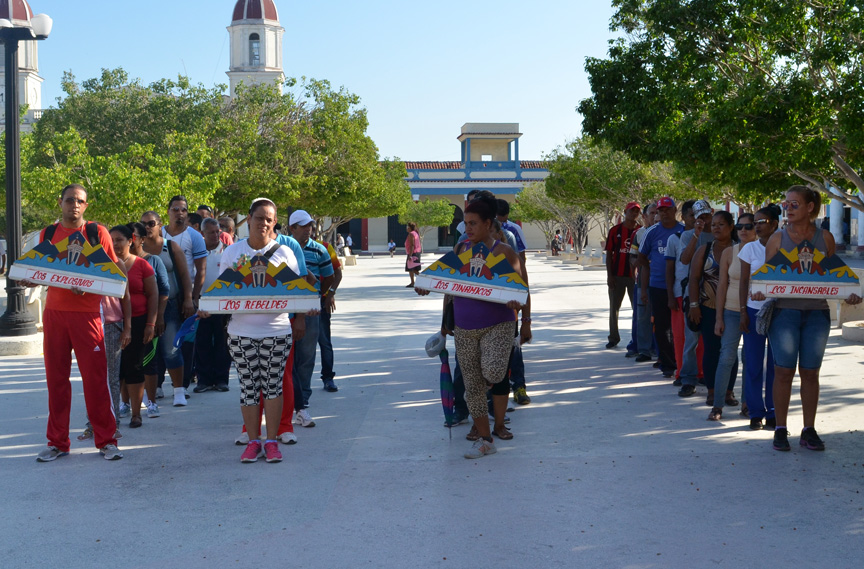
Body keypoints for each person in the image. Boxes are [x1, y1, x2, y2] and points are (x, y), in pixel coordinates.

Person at [417, 193, 530, 459]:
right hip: (464, 326)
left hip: (499, 325)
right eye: (466, 223)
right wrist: (428, 288)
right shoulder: (459, 250)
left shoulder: (504, 252)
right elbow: (446, 286)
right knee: (472, 387)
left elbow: (522, 289)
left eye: (473, 223)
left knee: (491, 371)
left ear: (489, 224)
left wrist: (524, 316)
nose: (467, 228)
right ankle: (485, 439)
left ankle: (495, 420)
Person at [200, 198, 305, 463]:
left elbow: (297, 290)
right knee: (248, 387)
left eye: (270, 219)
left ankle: (271, 441)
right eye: (260, 218)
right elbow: (223, 290)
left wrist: (305, 311)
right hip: (241, 333)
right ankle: (253, 441)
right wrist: (207, 307)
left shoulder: (284, 253)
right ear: (249, 219)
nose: (264, 223)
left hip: (277, 332)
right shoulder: (233, 253)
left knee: (272, 387)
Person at [758, 186, 861, 451]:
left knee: (810, 373)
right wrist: (758, 291)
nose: (788, 208)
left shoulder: (824, 238)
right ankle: (780, 429)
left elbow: (835, 274)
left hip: (817, 314)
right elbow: (765, 279)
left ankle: (808, 429)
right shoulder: (777, 239)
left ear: (810, 208)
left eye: (794, 204)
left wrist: (850, 294)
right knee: (783, 371)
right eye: (786, 204)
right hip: (784, 314)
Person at [32, 184, 125, 461]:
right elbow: (42, 269)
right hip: (55, 315)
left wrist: (87, 287)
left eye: (80, 201)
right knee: (56, 380)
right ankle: (57, 442)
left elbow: (113, 275)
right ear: (60, 202)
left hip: (87, 317)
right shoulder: (48, 233)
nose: (74, 205)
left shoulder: (97, 233)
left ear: (86, 206)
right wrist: (31, 277)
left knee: (95, 380)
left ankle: (106, 441)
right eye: (70, 200)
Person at [140, 210, 194, 406]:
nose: (147, 227)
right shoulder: (136, 247)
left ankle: (179, 390)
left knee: (171, 347)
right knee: (148, 350)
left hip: (169, 305)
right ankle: (153, 390)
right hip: (144, 307)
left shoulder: (170, 247)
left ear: (159, 224)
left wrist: (188, 299)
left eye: (151, 223)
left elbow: (185, 276)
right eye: (144, 223)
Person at [709, 213, 758, 420]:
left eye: (748, 226)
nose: (743, 231)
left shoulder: (765, 251)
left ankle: (748, 404)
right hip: (730, 311)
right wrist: (719, 317)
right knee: (727, 357)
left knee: (751, 359)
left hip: (756, 312)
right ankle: (717, 406)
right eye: (740, 227)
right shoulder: (730, 252)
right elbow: (722, 286)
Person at [687, 211, 738, 409]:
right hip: (707, 308)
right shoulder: (704, 249)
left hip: (732, 309)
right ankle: (711, 391)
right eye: (714, 224)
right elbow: (693, 279)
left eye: (721, 224)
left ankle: (728, 391)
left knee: (731, 352)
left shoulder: (739, 250)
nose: (716, 228)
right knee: (712, 350)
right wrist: (694, 305)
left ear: (731, 226)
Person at [110, 224, 158, 429]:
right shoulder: (106, 264)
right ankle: (122, 406)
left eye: (119, 240)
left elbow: (154, 294)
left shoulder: (142, 265)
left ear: (131, 241)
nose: (115, 244)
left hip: (138, 321)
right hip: (113, 322)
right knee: (116, 370)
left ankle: (136, 414)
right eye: (111, 240)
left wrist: (151, 324)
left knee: (134, 366)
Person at [738, 204, 781, 430]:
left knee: (776, 364)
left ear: (775, 224)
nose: (756, 226)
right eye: (755, 222)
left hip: (780, 311)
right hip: (753, 311)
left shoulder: (785, 247)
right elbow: (744, 282)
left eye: (761, 222)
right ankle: (755, 412)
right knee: (753, 363)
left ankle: (774, 411)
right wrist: (743, 311)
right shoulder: (749, 249)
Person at [289, 210, 335, 415]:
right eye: (303, 226)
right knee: (288, 356)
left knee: (307, 355)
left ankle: (303, 398)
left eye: (310, 225)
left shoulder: (319, 250)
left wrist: (319, 296)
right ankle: (288, 395)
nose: (309, 229)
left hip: (311, 309)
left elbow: (329, 276)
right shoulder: (282, 249)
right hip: (286, 309)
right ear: (292, 228)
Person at [162, 196, 207, 395]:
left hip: (186, 297)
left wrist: (193, 298)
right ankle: (156, 384)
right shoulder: (159, 233)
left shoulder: (194, 237)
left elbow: (201, 271)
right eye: (175, 209)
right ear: (168, 211)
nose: (179, 213)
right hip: (163, 296)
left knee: (184, 341)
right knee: (159, 338)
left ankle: (183, 385)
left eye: (183, 210)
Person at [670, 200, 712, 396]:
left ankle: (710, 377)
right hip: (692, 294)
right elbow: (685, 259)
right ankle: (688, 378)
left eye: (706, 215)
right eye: (699, 216)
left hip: (715, 294)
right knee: (691, 338)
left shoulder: (721, 233)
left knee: (713, 340)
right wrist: (696, 234)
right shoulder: (687, 235)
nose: (703, 219)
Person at [638, 197, 683, 377]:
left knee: (679, 328)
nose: (664, 213)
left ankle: (682, 363)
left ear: (674, 211)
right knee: (663, 327)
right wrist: (644, 287)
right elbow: (641, 257)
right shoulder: (652, 232)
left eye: (667, 210)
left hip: (680, 288)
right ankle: (667, 364)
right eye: (660, 211)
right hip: (658, 287)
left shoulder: (683, 231)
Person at [496, 198, 532, 405]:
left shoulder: (510, 235)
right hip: (479, 315)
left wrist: (526, 318)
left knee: (513, 349)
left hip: (507, 308)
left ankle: (518, 387)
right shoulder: (466, 241)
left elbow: (522, 272)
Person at [193, 218, 231, 393]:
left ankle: (222, 379)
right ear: (202, 234)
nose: (216, 235)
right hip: (202, 302)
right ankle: (204, 380)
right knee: (202, 342)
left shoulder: (228, 252)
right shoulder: (196, 252)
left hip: (223, 303)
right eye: (211, 232)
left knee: (223, 343)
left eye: (218, 231)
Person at [605, 202, 641, 350]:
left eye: (636, 212)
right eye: (631, 211)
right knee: (614, 308)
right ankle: (613, 338)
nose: (634, 214)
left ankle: (638, 338)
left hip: (636, 278)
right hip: (617, 276)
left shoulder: (641, 231)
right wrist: (609, 276)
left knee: (638, 309)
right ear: (625, 212)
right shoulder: (615, 231)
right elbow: (609, 254)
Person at [630, 202, 657, 361]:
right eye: (652, 213)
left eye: (657, 212)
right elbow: (633, 256)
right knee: (642, 317)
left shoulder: (668, 233)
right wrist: (637, 266)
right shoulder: (639, 234)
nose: (655, 216)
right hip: (643, 282)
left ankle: (659, 350)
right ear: (644, 216)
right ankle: (644, 350)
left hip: (662, 282)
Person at [318, 239, 342, 393]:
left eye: (310, 226)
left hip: (321, 302)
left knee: (325, 342)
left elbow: (337, 274)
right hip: (298, 304)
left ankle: (328, 378)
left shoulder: (325, 247)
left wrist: (330, 294)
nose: (308, 229)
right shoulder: (290, 247)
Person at [405, 222, 422, 287]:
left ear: (410, 228)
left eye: (407, 227)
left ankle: (415, 282)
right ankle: (414, 282)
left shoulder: (411, 234)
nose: (406, 228)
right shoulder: (415, 233)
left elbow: (412, 245)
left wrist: (410, 255)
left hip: (413, 253)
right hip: (417, 252)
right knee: (413, 269)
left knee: (412, 268)